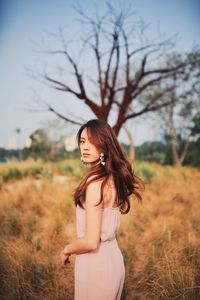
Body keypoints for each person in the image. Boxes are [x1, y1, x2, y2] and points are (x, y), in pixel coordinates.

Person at [60, 119, 144, 300]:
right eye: (82, 141)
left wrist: (67, 249)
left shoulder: (95, 184)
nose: (85, 147)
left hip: (95, 265)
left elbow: (91, 242)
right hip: (112, 260)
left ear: (104, 144)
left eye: (92, 141)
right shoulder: (112, 178)